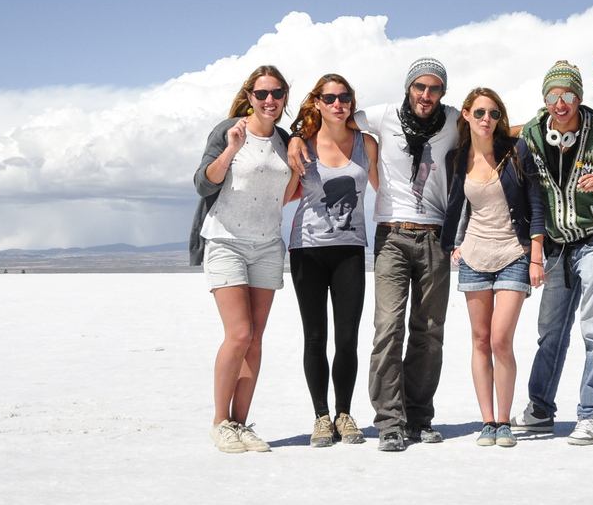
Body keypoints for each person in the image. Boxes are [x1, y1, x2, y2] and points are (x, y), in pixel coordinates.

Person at [291, 57, 459, 452]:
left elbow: (495, 126)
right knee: (388, 328)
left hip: (435, 235)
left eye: (434, 88)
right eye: (420, 86)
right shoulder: (381, 116)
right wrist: (298, 137)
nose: (426, 95)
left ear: (443, 93)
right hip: (392, 235)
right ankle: (389, 422)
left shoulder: (453, 120)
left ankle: (419, 418)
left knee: (429, 331)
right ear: (408, 88)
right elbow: (332, 119)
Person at [509, 61, 593, 446]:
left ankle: (591, 413)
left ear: (579, 98)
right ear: (544, 100)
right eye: (552, 96)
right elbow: (500, 136)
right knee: (551, 332)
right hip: (558, 246)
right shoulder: (531, 135)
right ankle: (541, 409)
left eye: (568, 95)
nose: (560, 104)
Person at [192, 65, 299, 455]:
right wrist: (233, 149)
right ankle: (220, 422)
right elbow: (204, 182)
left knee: (255, 340)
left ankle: (241, 422)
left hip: (268, 245)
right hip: (226, 241)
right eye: (262, 93)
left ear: (285, 97)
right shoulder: (229, 131)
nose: (269, 100)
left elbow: (281, 195)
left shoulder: (285, 141)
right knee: (238, 334)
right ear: (249, 96)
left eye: (277, 93)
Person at [442, 88, 545, 448]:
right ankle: (488, 421)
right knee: (480, 340)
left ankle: (505, 420)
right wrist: (452, 243)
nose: (488, 120)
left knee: (501, 339)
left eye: (495, 114)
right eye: (481, 113)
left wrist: (535, 255)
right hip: (474, 257)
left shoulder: (516, 153)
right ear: (467, 114)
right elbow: (456, 204)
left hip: (513, 254)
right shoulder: (457, 158)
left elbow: (535, 202)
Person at [288, 74, 379, 448]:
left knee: (347, 338)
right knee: (315, 336)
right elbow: (284, 192)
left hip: (350, 249)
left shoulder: (366, 144)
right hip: (307, 249)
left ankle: (344, 412)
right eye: (330, 98)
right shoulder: (301, 146)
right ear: (318, 103)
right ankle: (321, 417)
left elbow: (386, 189)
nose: (338, 104)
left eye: (344, 98)